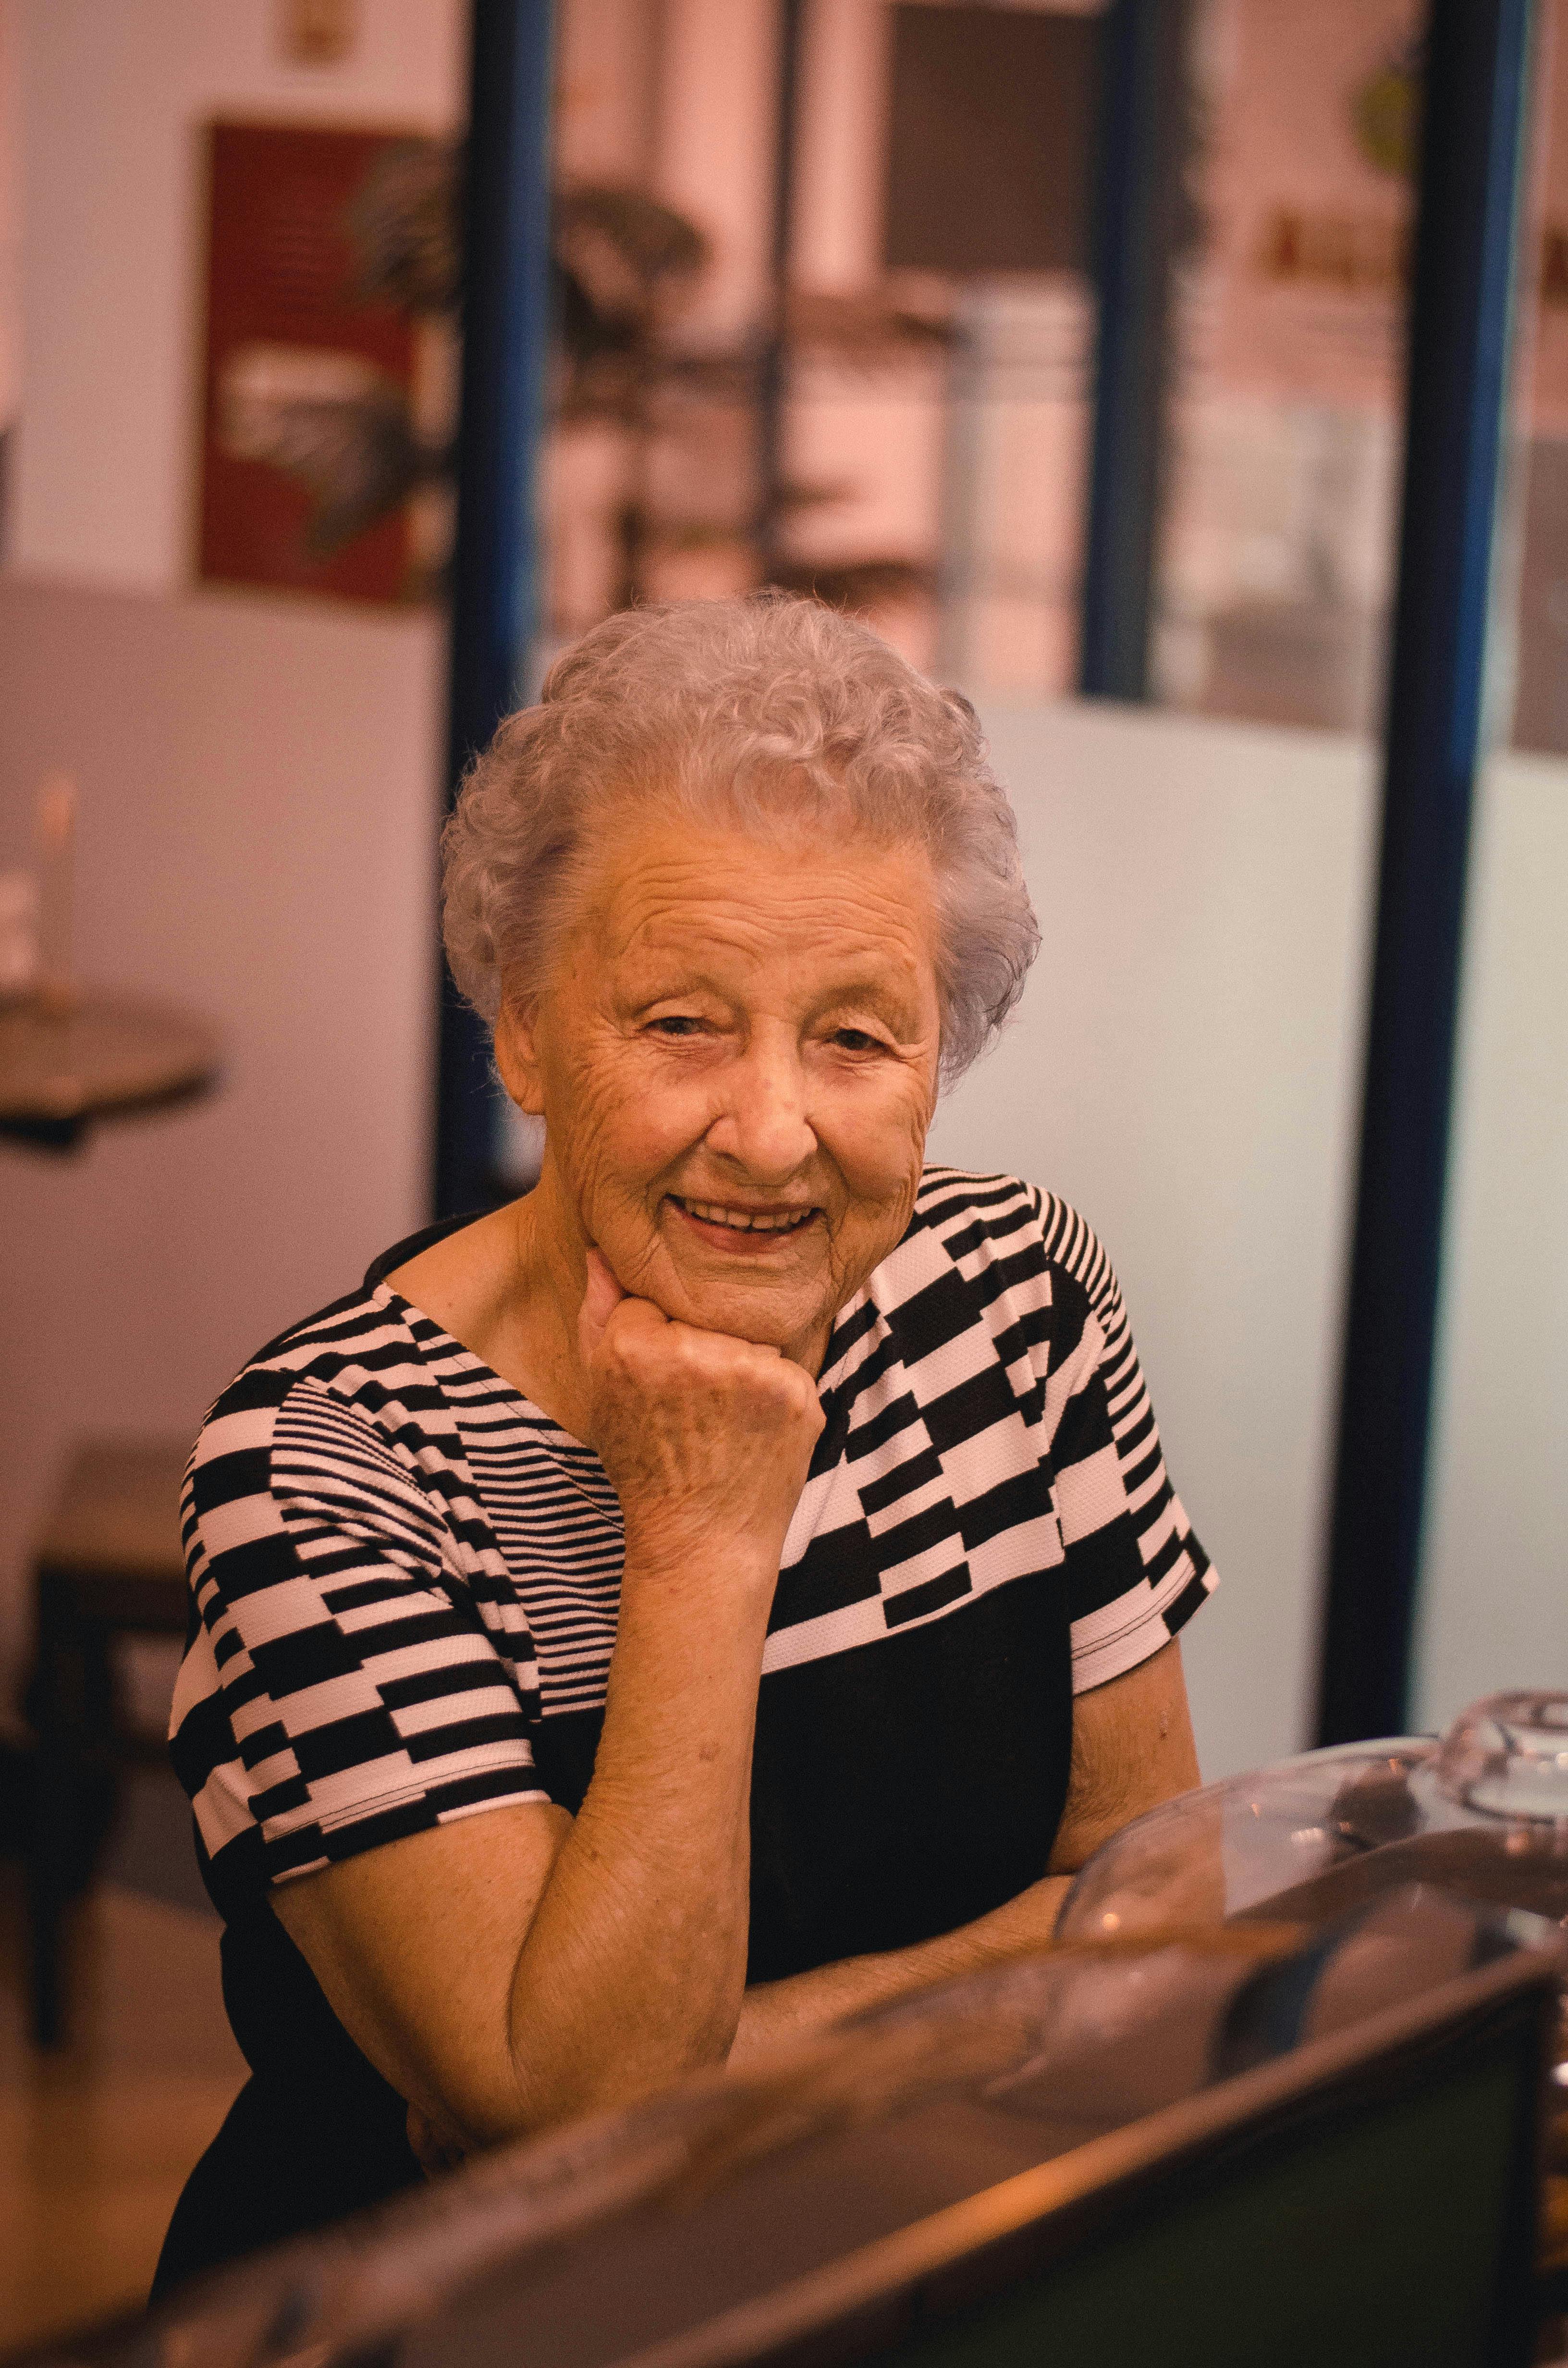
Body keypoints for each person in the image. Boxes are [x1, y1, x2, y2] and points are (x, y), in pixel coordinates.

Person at [155, 594, 1213, 2293]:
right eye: (680, 1022)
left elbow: (1159, 1907)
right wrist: (708, 1532)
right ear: (521, 1029)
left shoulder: (1015, 1304)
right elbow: (574, 2147)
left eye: (858, 1035)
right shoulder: (325, 1471)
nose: (772, 1132)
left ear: (943, 1054)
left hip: (916, 2273)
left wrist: (727, 2055)